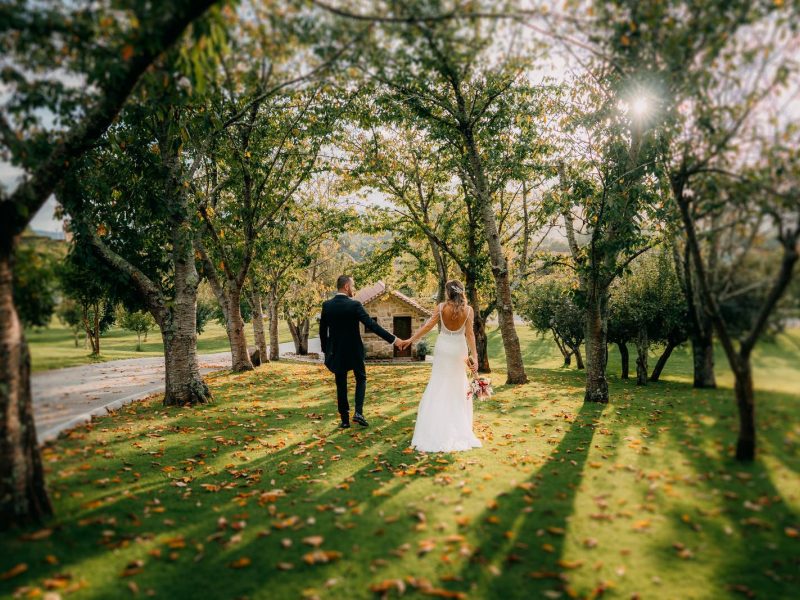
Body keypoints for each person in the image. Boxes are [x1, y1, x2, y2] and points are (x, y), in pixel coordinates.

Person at [401, 279, 482, 452]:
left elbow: (428, 326)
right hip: (458, 350)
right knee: (457, 386)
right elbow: (470, 335)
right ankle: (458, 427)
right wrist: (474, 356)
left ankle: (434, 427)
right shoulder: (468, 310)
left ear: (448, 292)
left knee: (438, 384)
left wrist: (410, 339)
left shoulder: (440, 308)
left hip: (443, 348)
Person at [319, 275, 408, 429]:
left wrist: (327, 351)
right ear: (346, 286)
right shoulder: (355, 305)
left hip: (336, 353)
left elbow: (322, 332)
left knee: (341, 384)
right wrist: (394, 340)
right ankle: (358, 412)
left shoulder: (327, 306)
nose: (354, 289)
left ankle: (345, 420)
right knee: (361, 379)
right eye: (352, 286)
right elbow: (373, 326)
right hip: (354, 351)